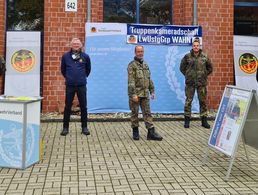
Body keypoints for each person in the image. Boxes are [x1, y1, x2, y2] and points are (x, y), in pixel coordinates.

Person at [127, 45, 163, 141]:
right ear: (135, 53)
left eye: (142, 51)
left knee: (147, 113)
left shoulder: (145, 65)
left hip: (145, 93)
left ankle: (151, 133)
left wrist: (152, 91)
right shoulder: (131, 65)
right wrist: (133, 94)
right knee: (134, 113)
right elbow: (131, 82)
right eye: (138, 51)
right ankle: (135, 131)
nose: (140, 53)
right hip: (136, 94)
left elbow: (149, 79)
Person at [60, 38, 91, 136]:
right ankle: (65, 128)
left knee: (83, 107)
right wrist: (70, 78)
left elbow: (88, 70)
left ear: (81, 45)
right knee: (67, 107)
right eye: (74, 43)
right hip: (70, 85)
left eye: (78, 44)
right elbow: (63, 70)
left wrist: (81, 77)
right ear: (71, 45)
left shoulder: (85, 56)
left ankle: (84, 127)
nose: (76, 45)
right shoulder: (65, 56)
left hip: (81, 85)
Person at [180, 37, 213, 128]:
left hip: (201, 83)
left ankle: (204, 121)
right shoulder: (187, 56)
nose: (196, 47)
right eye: (194, 46)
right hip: (190, 83)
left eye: (197, 46)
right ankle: (187, 121)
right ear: (192, 46)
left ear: (199, 46)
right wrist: (188, 75)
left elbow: (210, 68)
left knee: (202, 101)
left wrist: (204, 75)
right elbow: (182, 68)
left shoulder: (204, 56)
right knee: (188, 101)